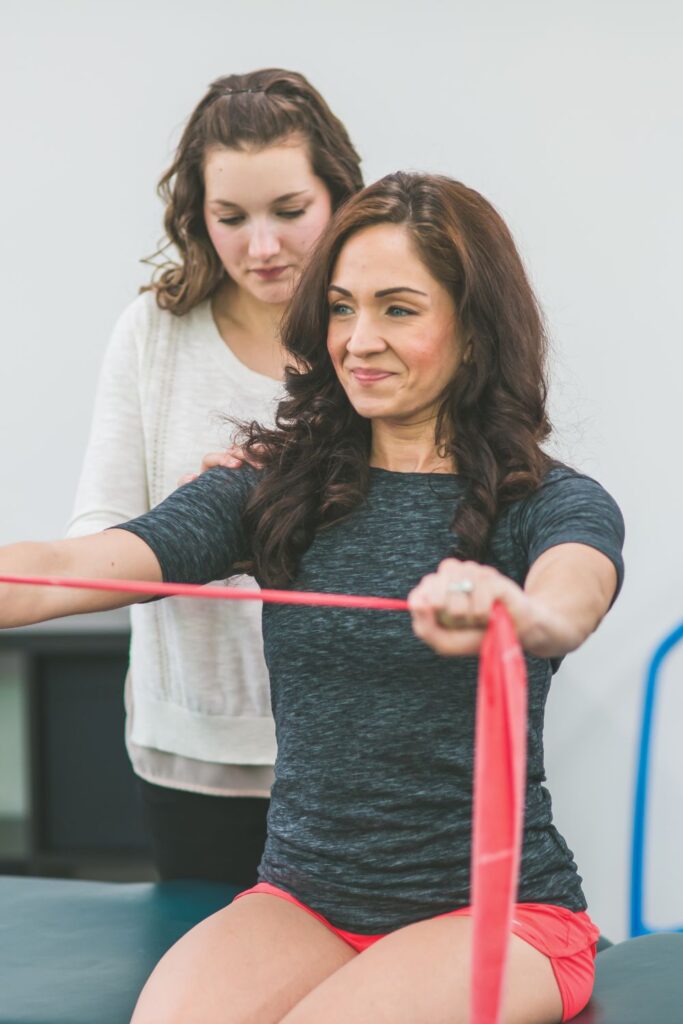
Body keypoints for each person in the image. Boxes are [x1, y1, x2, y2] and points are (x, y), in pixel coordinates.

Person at [0, 171, 624, 1023]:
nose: (358, 339)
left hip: (502, 914)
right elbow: (76, 565)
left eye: (397, 309)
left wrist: (517, 614)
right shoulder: (276, 489)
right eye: (340, 307)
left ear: (473, 332)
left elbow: (572, 596)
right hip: (305, 899)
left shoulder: (547, 502)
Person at [66, 68, 363, 884]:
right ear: (197, 213)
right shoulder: (152, 333)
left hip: (358, 750)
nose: (260, 248)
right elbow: (97, 535)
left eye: (289, 213)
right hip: (193, 745)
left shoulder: (374, 331)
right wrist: (197, 535)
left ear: (339, 196)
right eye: (230, 218)